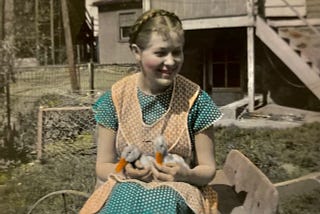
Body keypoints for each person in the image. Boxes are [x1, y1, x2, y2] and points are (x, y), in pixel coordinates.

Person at [80, 9, 222, 214]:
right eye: (161, 53)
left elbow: (208, 169)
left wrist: (186, 174)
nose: (171, 61)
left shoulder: (196, 100)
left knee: (163, 199)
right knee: (125, 194)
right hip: (125, 185)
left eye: (177, 51)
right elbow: (103, 165)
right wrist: (124, 170)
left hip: (178, 190)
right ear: (137, 52)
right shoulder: (115, 98)